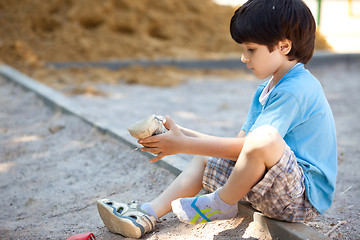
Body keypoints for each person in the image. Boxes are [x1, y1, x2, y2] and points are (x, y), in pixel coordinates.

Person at [96, 0, 337, 238]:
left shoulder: (296, 89)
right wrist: (179, 134)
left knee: (264, 137)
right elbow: (240, 148)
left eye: (251, 49)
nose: (244, 57)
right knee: (210, 154)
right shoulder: (267, 89)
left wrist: (184, 144)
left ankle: (221, 203)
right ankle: (146, 214)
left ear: (284, 46)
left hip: (301, 198)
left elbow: (256, 144)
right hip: (273, 188)